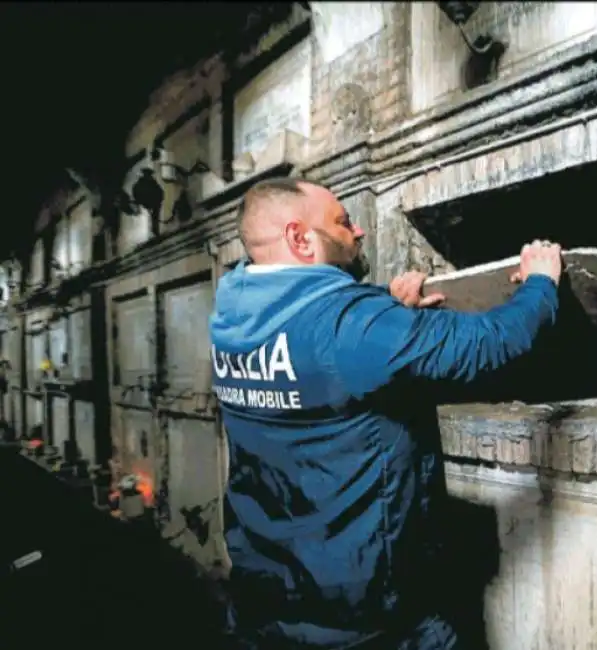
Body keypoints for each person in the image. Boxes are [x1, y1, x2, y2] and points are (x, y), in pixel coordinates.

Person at [208, 176, 563, 649]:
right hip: (367, 614)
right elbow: (492, 344)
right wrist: (541, 281)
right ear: (299, 238)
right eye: (342, 221)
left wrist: (390, 314)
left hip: (269, 592)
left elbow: (324, 359)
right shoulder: (350, 328)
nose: (358, 232)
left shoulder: (233, 316)